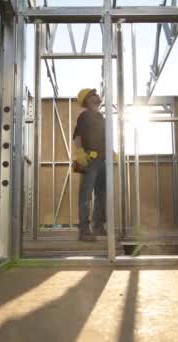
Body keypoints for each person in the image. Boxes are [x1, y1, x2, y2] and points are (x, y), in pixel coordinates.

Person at [73, 88, 107, 241]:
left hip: (102, 160)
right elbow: (78, 136)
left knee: (102, 195)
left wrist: (110, 151)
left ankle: (98, 227)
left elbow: (103, 137)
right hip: (89, 160)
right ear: (87, 99)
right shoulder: (84, 116)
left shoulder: (101, 117)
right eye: (94, 93)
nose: (97, 95)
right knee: (86, 196)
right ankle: (84, 231)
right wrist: (80, 153)